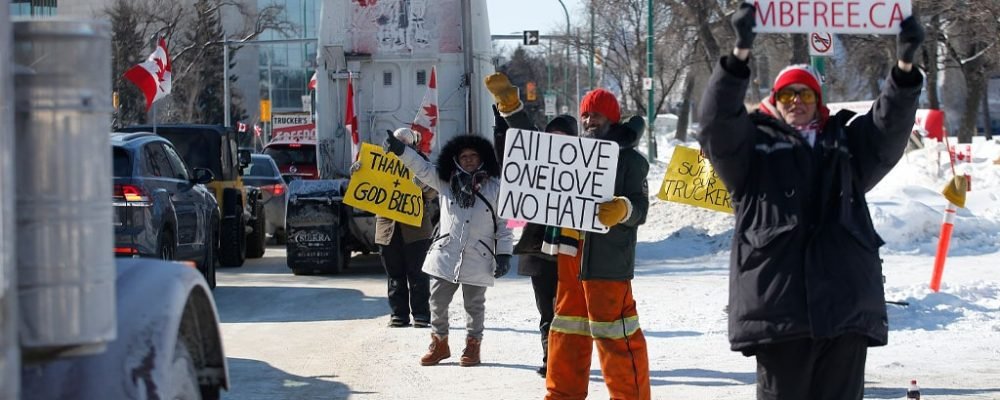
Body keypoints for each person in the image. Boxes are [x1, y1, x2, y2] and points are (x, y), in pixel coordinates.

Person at [697, 4, 925, 399]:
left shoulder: (847, 149)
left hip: (845, 312)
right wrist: (738, 58)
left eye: (805, 93)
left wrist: (904, 68)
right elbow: (717, 124)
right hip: (780, 316)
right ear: (776, 100)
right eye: (788, 93)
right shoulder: (752, 152)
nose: (797, 100)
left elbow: (887, 130)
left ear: (818, 101)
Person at [487, 74, 652, 399]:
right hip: (567, 259)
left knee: (617, 338)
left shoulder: (630, 160)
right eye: (587, 114)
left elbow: (641, 208)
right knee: (566, 333)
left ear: (612, 119)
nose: (590, 120)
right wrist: (511, 109)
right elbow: (534, 150)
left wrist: (623, 209)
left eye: (598, 115)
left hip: (607, 264)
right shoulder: (572, 152)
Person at [383, 128, 514, 367]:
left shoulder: (495, 188)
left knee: (474, 306)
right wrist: (402, 151)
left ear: (481, 157)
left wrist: (504, 254)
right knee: (437, 302)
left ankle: (473, 346)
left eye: (473, 156)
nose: (469, 160)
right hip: (447, 254)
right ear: (456, 159)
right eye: (464, 157)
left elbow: (503, 226)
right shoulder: (445, 182)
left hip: (478, 255)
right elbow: (422, 169)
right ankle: (439, 344)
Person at [485, 74, 580, 378]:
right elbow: (522, 138)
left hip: (572, 250)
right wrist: (507, 114)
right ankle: (550, 358)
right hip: (539, 249)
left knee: (570, 310)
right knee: (547, 311)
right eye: (551, 135)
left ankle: (570, 357)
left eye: (563, 135)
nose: (555, 140)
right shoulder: (536, 162)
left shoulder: (582, 168)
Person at [370, 128, 438, 328]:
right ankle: (398, 315)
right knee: (394, 274)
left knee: (418, 274)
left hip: (415, 230)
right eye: (397, 142)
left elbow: (433, 192)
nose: (399, 146)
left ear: (411, 145)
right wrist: (359, 170)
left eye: (404, 143)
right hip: (387, 229)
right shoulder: (380, 163)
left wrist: (423, 184)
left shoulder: (422, 164)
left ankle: (421, 315)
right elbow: (365, 188)